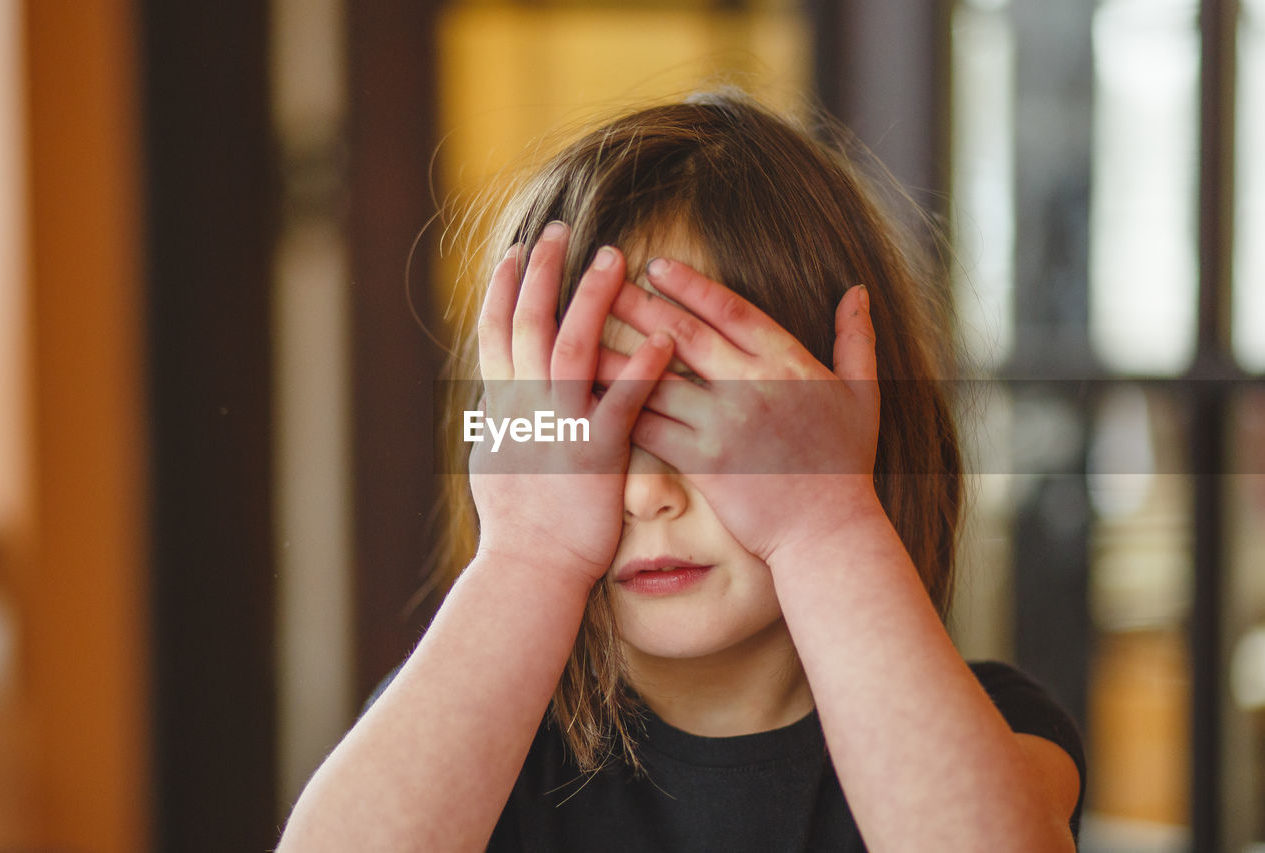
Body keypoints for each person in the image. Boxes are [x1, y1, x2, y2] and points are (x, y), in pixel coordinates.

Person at [277, 90, 1084, 852]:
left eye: (706, 424)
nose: (646, 492)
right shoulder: (481, 726)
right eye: (595, 426)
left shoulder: (982, 724)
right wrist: (531, 554)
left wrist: (825, 524)